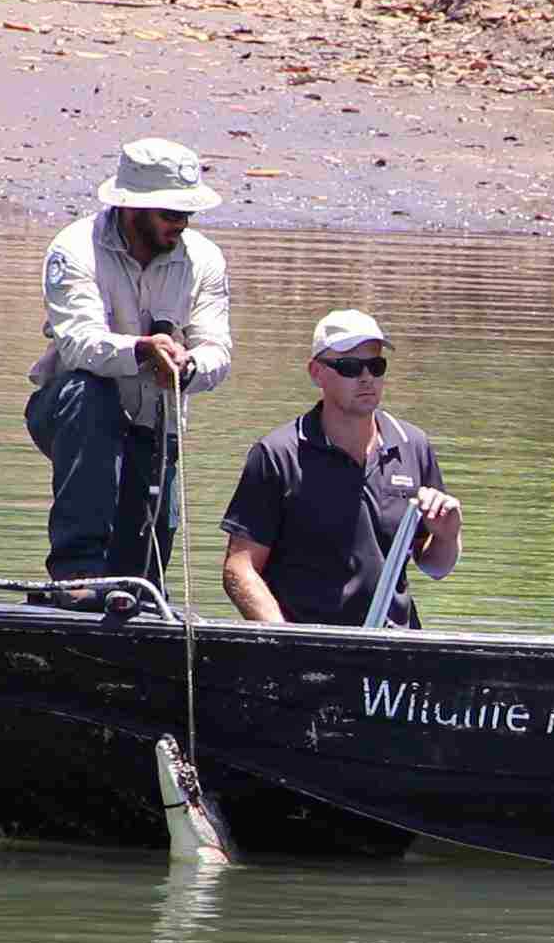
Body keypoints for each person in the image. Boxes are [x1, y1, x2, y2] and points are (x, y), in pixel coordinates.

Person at [24, 137, 231, 605]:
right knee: (87, 394)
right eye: (171, 214)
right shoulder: (73, 249)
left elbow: (219, 350)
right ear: (132, 207)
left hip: (154, 424)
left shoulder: (205, 260)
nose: (183, 224)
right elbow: (77, 343)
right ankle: (74, 571)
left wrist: (189, 364)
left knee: (139, 580)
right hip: (70, 414)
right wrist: (141, 351)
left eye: (187, 214)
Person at [220, 309, 462, 627]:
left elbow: (434, 566)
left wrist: (447, 535)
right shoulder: (278, 454)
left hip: (396, 647)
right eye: (350, 367)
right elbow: (240, 568)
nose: (366, 378)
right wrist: (286, 641)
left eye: (376, 366)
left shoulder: (412, 445)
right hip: (309, 646)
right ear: (316, 372)